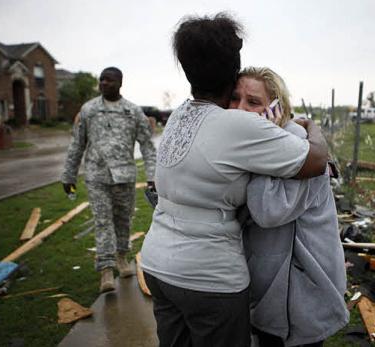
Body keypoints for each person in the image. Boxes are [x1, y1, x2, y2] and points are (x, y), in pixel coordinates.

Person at [139, 13, 329, 347]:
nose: (242, 107)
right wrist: (313, 129)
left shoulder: (180, 114)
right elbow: (315, 160)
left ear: (185, 69)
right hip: (207, 279)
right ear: (234, 66)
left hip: (156, 265)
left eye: (253, 102)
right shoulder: (239, 126)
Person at [230, 67, 348, 347]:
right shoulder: (248, 143)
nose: (240, 109)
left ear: (276, 108)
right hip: (270, 286)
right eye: (235, 99)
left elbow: (268, 210)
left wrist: (262, 147)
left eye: (253, 102)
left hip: (301, 289)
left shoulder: (297, 145)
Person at [61, 67, 156, 293]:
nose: (104, 83)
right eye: (101, 80)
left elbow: (147, 146)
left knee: (123, 220)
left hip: (124, 176)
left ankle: (122, 258)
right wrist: (68, 175)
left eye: (109, 80)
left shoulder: (132, 112)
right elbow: (77, 144)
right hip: (96, 176)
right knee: (102, 221)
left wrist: (152, 176)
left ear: (120, 83)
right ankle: (105, 270)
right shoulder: (89, 110)